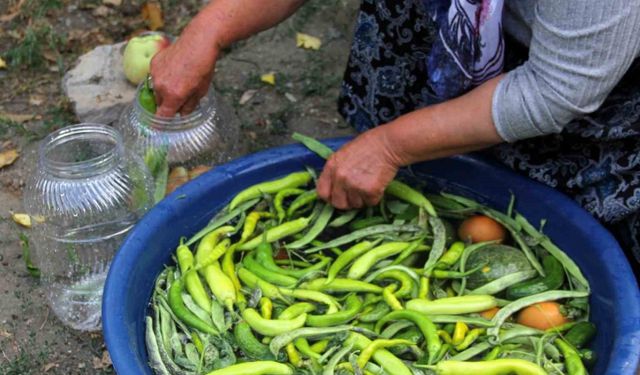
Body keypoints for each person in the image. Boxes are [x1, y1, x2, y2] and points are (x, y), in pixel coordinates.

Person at [150, 0, 640, 274]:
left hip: (595, 73)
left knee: (577, 228)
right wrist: (209, 29)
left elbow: (556, 89)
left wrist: (391, 146)